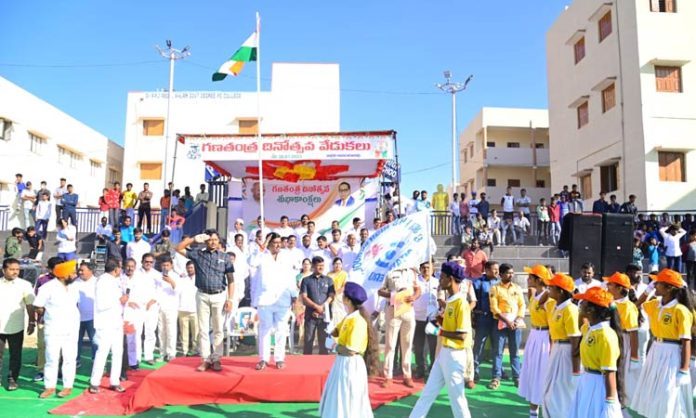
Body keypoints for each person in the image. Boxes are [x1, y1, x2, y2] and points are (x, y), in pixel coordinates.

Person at [409, 262, 473, 418]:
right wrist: (437, 317)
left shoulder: (461, 303)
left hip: (454, 355)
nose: (439, 280)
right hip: (444, 353)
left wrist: (438, 331)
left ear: (450, 279)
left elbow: (462, 334)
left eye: (442, 277)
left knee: (457, 399)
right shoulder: (450, 300)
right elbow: (447, 325)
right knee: (428, 393)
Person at [631, 269, 693, 417]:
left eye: (658, 283)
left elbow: (686, 341)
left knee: (668, 392)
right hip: (655, 350)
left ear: (669, 288)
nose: (655, 285)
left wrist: (684, 369)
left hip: (672, 352)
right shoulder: (656, 305)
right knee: (653, 393)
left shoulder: (680, 310)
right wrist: (648, 291)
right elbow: (636, 306)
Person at [176, 231, 234, 371]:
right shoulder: (198, 254)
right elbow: (178, 248)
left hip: (219, 296)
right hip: (202, 295)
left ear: (218, 241)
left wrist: (230, 299)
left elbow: (231, 280)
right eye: (210, 240)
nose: (213, 242)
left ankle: (216, 358)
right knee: (203, 329)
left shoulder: (225, 257)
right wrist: (194, 239)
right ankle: (205, 359)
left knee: (219, 329)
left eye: (215, 239)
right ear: (206, 241)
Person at [319, 282, 377, 418]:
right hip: (341, 362)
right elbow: (336, 331)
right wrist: (329, 328)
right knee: (338, 394)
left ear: (348, 300)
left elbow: (351, 350)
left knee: (349, 396)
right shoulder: (348, 317)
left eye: (344, 295)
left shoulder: (357, 321)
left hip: (351, 364)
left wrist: (333, 346)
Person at [569, 287, 623, 418]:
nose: (580, 303)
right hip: (587, 380)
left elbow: (610, 371)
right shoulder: (590, 328)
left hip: (598, 385)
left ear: (591, 309)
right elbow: (579, 323)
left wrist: (610, 402)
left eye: (584, 301)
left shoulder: (605, 335)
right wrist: (582, 311)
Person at [33, 259, 80, 398]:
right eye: (72, 273)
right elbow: (38, 305)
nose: (75, 274)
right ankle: (50, 387)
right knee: (51, 358)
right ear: (63, 275)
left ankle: (67, 386)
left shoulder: (74, 287)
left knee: (70, 358)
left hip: (71, 328)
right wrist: (50, 315)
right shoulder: (47, 287)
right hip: (53, 328)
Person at [251, 232, 296, 370]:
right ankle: (264, 359)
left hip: (283, 299)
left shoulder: (286, 256)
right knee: (265, 329)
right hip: (265, 299)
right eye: (274, 242)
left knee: (281, 329)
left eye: (279, 242)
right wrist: (262, 247)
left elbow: (291, 277)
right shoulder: (261, 256)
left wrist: (294, 295)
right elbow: (251, 262)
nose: (277, 245)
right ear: (269, 243)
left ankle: (279, 359)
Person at [542, 273, 581, 418]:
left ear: (560, 291)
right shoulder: (555, 306)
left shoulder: (570, 309)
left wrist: (576, 370)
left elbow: (575, 340)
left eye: (551, 287)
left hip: (566, 351)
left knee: (562, 391)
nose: (548, 289)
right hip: (557, 349)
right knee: (550, 390)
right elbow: (541, 302)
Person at [518, 265, 554, 418]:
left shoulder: (549, 299)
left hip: (545, 337)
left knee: (542, 375)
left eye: (531, 277)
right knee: (532, 373)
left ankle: (546, 412)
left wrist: (552, 348)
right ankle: (533, 413)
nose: (528, 279)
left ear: (538, 280)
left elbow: (553, 325)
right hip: (534, 335)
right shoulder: (536, 295)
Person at [88, 259, 127, 394]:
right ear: (116, 269)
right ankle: (94, 382)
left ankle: (114, 381)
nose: (121, 270)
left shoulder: (114, 281)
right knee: (102, 352)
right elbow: (102, 304)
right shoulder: (103, 281)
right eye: (120, 268)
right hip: (105, 324)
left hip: (116, 322)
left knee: (118, 353)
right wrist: (119, 300)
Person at [378, 267, 421, 388]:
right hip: (393, 310)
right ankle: (388, 376)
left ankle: (407, 376)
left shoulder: (412, 272)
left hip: (408, 310)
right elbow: (380, 291)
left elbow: (418, 289)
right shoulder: (390, 272)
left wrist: (414, 297)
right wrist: (393, 295)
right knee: (390, 344)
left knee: (407, 344)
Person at [603, 272, 640, 409]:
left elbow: (633, 333)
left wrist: (635, 357)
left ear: (619, 288)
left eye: (610, 284)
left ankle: (621, 405)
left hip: (622, 340)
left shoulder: (628, 306)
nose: (607, 286)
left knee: (620, 373)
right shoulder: (610, 302)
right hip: (611, 338)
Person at [488, 263, 526, 389]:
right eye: (508, 273)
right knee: (498, 351)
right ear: (501, 274)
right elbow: (494, 308)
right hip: (500, 323)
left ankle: (517, 377)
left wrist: (518, 319)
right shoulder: (495, 288)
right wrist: (507, 321)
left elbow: (522, 305)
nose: (511, 275)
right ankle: (496, 377)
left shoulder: (517, 288)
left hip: (515, 323)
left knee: (515, 351)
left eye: (512, 273)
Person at [0, 258, 36, 391]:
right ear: (4, 270)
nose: (15, 272)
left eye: (17, 269)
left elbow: (30, 305)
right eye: (12, 269)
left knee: (15, 355)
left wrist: (32, 322)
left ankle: (12, 379)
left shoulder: (25, 285)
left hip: (16, 326)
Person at [300, 256, 335, 355]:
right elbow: (304, 297)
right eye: (319, 266)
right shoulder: (306, 280)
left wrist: (323, 307)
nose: (321, 268)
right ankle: (306, 363)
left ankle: (322, 364)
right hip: (311, 315)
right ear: (313, 266)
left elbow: (332, 295)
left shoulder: (329, 280)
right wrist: (316, 307)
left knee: (324, 342)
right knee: (308, 340)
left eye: (322, 266)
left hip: (325, 315)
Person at [471, 261, 499, 384]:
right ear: (487, 270)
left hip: (497, 319)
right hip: (483, 318)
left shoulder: (500, 283)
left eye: (498, 269)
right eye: (494, 269)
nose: (497, 272)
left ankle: (497, 373)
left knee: (497, 346)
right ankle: (474, 372)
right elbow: (472, 301)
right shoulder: (477, 282)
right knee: (478, 346)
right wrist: (473, 317)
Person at [413, 261, 439, 379]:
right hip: (418, 317)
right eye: (423, 267)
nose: (426, 270)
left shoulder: (437, 282)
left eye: (428, 268)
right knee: (418, 346)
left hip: (433, 319)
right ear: (420, 269)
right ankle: (420, 369)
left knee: (433, 346)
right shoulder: (414, 281)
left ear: (433, 269)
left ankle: (433, 369)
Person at [156, 255, 180, 361]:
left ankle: (171, 353)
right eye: (164, 265)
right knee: (161, 331)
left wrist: (171, 281)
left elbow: (178, 291)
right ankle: (162, 352)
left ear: (171, 265)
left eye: (167, 265)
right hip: (160, 306)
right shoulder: (157, 276)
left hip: (171, 307)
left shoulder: (176, 276)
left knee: (171, 330)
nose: (165, 267)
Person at [75, 262, 98, 367]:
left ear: (90, 271)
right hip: (77, 318)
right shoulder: (74, 283)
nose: (80, 272)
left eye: (82, 270)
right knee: (76, 340)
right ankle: (76, 360)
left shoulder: (97, 282)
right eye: (80, 270)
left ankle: (96, 360)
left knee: (95, 340)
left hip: (93, 317)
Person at [178, 261, 199, 356]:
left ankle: (195, 351)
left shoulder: (200, 279)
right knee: (184, 333)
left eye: (192, 267)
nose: (190, 269)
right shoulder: (182, 279)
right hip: (183, 309)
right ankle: (184, 351)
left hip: (195, 309)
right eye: (188, 268)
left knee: (196, 333)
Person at [328, 257, 347, 324]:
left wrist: (336, 293)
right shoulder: (329, 274)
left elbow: (344, 286)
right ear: (333, 265)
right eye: (336, 263)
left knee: (339, 314)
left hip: (339, 296)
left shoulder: (344, 274)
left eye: (339, 264)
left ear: (342, 265)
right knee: (330, 315)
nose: (337, 265)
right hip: (329, 296)